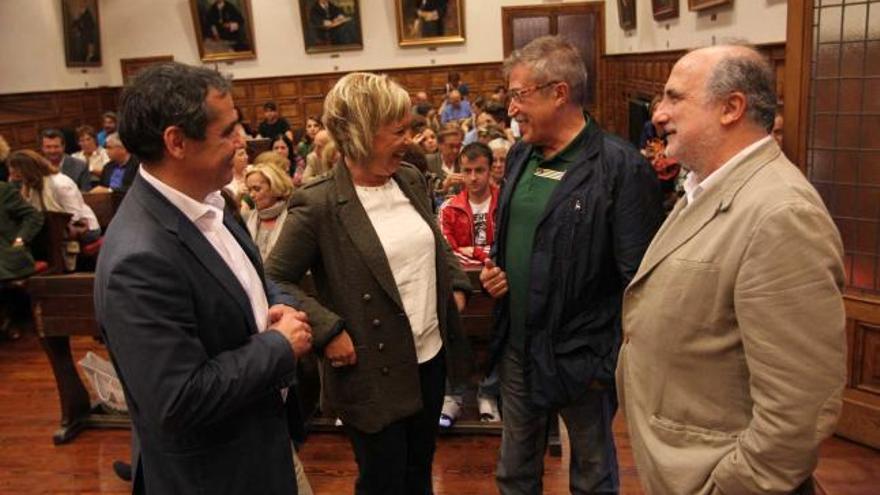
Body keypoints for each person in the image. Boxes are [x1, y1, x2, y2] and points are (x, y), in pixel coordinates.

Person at [617, 44, 846, 495]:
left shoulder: (781, 214)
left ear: (731, 108)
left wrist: (729, 487)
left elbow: (797, 413)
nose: (659, 114)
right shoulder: (705, 188)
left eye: (674, 97)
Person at [93, 62, 313, 494]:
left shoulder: (206, 199)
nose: (241, 141)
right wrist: (278, 345)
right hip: (216, 473)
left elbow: (244, 275)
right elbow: (177, 398)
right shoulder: (139, 259)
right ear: (176, 141)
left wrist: (272, 302)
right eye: (228, 131)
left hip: (262, 441)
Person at [265, 72, 474, 495]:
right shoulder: (319, 201)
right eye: (398, 131)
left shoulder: (410, 179)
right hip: (371, 369)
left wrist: (453, 284)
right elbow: (273, 276)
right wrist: (328, 330)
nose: (409, 140)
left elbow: (434, 241)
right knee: (383, 480)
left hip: (429, 357)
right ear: (360, 134)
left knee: (419, 470)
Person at [479, 36, 663, 494]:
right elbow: (518, 237)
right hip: (519, 349)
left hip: (584, 357)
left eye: (519, 94)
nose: (511, 108)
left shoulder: (620, 166)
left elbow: (640, 280)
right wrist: (496, 272)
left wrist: (610, 360)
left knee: (592, 475)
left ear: (558, 93)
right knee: (514, 472)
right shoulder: (521, 154)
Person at [438, 142, 501, 425]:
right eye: (467, 171)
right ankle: (453, 394)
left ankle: (489, 392)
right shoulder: (450, 208)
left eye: (479, 170)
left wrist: (472, 251)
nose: (473, 177)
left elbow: (508, 246)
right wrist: (485, 252)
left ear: (491, 171)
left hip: (498, 282)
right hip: (461, 284)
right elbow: (448, 250)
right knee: (450, 324)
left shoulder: (506, 203)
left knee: (501, 331)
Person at [7, 149, 101, 245]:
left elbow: (75, 215)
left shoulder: (60, 184)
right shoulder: (31, 185)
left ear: (28, 171)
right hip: (54, 229)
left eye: (18, 176)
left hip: (85, 229)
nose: (15, 180)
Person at [244, 164, 294, 261]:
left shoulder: (293, 216)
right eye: (249, 190)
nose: (251, 195)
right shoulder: (245, 219)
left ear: (274, 186)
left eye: (257, 189)